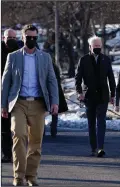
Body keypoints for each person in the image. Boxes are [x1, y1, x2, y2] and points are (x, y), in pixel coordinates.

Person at [1, 24, 59, 186]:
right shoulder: (13, 57)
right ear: (23, 38)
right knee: (18, 135)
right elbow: (5, 83)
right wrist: (3, 105)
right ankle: (18, 177)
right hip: (18, 103)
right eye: (28, 37)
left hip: (38, 104)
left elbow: (51, 81)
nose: (32, 40)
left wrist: (54, 102)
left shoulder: (45, 57)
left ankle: (31, 176)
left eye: (34, 37)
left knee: (35, 142)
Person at [75, 36, 116, 157]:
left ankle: (100, 147)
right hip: (89, 96)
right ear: (90, 47)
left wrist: (113, 94)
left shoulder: (106, 60)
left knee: (101, 122)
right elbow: (78, 78)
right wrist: (79, 92)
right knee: (91, 123)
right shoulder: (84, 60)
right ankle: (93, 147)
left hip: (103, 95)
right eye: (95, 47)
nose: (97, 49)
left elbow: (111, 78)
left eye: (99, 47)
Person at [42, 42, 68, 137]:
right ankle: (53, 130)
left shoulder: (45, 66)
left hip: (47, 90)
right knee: (54, 112)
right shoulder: (54, 66)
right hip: (55, 90)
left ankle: (44, 131)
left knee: (43, 112)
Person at [1, 29, 19, 163]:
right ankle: (7, 153)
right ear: (3, 38)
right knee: (4, 127)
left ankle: (17, 152)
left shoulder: (20, 52)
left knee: (17, 127)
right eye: (9, 37)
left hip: (16, 94)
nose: (11, 39)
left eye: (14, 37)